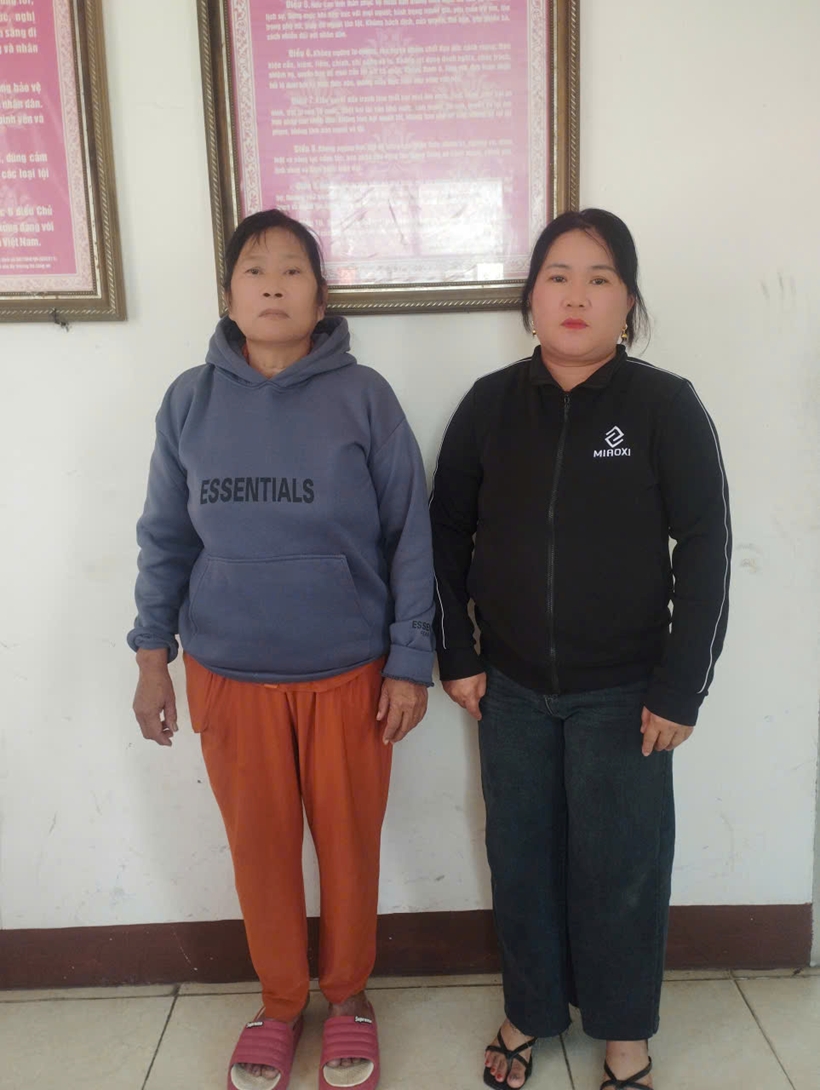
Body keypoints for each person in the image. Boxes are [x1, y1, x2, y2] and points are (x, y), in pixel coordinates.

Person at [129, 209, 435, 1090]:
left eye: (293, 270)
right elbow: (164, 537)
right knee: (259, 850)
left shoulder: (364, 397)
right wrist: (152, 656)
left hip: (350, 672)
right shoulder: (189, 401)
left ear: (321, 297)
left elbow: (410, 535)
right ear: (227, 295)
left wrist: (409, 660)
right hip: (228, 673)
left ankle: (347, 999)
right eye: (254, 270)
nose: (272, 285)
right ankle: (277, 1004)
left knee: (349, 847)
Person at [430, 209, 731, 1090]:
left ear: (627, 303)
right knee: (520, 858)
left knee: (623, 867)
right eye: (558, 276)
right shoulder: (490, 405)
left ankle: (625, 1033)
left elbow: (706, 545)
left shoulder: (664, 406)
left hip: (626, 693)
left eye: (600, 278)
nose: (577, 295)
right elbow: (444, 533)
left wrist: (681, 687)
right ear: (531, 298)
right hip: (509, 687)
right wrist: (458, 653)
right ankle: (530, 1010)